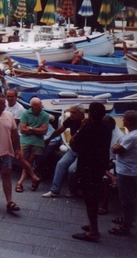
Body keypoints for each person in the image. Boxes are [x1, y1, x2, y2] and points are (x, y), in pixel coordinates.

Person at [69, 102, 114, 242]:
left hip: (87, 167)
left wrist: (80, 128)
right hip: (99, 167)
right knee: (93, 197)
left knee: (89, 199)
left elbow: (73, 143)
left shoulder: (88, 128)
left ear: (90, 114)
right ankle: (92, 225)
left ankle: (93, 231)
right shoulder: (106, 128)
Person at [42, 104, 85, 198]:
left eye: (74, 113)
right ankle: (54, 190)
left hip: (84, 153)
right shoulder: (71, 120)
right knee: (60, 164)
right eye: (71, 112)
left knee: (72, 170)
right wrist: (49, 139)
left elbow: (73, 140)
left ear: (81, 114)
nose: (71, 114)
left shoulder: (86, 123)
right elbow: (59, 130)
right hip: (73, 150)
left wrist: (80, 129)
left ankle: (73, 191)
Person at [109, 110, 137, 236]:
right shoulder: (133, 134)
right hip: (131, 170)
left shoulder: (131, 136)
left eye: (124, 119)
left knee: (126, 199)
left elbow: (116, 149)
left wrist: (115, 146)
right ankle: (127, 219)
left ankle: (125, 226)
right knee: (129, 198)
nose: (122, 120)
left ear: (129, 122)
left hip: (126, 171)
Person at [15, 97, 48, 193]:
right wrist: (37, 130)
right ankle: (34, 177)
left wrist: (30, 128)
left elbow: (44, 131)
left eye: (40, 106)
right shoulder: (25, 113)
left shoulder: (45, 115)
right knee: (20, 157)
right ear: (32, 107)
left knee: (28, 162)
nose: (40, 108)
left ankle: (20, 183)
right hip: (25, 140)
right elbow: (22, 130)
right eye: (37, 107)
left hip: (37, 142)